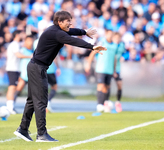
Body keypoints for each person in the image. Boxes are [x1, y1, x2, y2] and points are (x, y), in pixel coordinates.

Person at [14, 10, 106, 142]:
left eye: (70, 20)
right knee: (41, 101)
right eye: (68, 21)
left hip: (36, 67)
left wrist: (85, 32)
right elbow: (72, 40)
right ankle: (41, 134)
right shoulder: (57, 33)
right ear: (59, 22)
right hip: (37, 68)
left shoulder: (56, 30)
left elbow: (72, 32)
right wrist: (92, 47)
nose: (70, 23)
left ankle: (23, 129)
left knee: (32, 100)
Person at [85, 30, 117, 113]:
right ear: (106, 34)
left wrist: (114, 70)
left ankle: (105, 103)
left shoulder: (114, 45)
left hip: (109, 70)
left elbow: (115, 58)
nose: (110, 36)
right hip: (101, 69)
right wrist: (88, 64)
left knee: (107, 87)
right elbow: (93, 53)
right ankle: (99, 104)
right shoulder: (102, 42)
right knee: (101, 85)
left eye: (111, 34)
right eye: (109, 34)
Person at [6, 30, 31, 114]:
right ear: (17, 35)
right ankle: (9, 107)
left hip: (15, 69)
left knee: (13, 87)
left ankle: (10, 106)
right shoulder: (14, 44)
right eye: (21, 34)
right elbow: (18, 55)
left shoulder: (17, 44)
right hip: (12, 68)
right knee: (12, 87)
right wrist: (29, 56)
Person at [14, 35, 34, 104]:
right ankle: (11, 105)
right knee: (18, 91)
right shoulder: (22, 50)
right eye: (28, 41)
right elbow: (18, 56)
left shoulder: (34, 51)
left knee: (34, 93)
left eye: (31, 41)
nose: (30, 42)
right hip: (23, 74)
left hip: (32, 75)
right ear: (25, 42)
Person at [112, 32, 125, 112]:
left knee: (119, 85)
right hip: (109, 68)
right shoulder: (111, 46)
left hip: (117, 68)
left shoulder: (121, 46)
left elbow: (125, 54)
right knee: (107, 86)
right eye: (115, 38)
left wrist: (124, 57)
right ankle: (105, 103)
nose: (117, 40)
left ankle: (118, 102)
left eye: (118, 38)